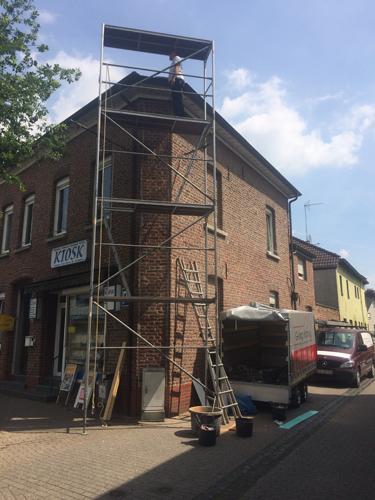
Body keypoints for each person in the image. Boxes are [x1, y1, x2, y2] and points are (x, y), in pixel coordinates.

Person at [168, 49, 186, 117]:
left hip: (177, 79)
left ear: (173, 53)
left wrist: (173, 78)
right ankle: (177, 112)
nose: (169, 56)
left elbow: (177, 67)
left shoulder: (177, 58)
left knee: (177, 97)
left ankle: (180, 113)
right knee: (175, 97)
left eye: (170, 54)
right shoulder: (174, 60)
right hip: (176, 79)